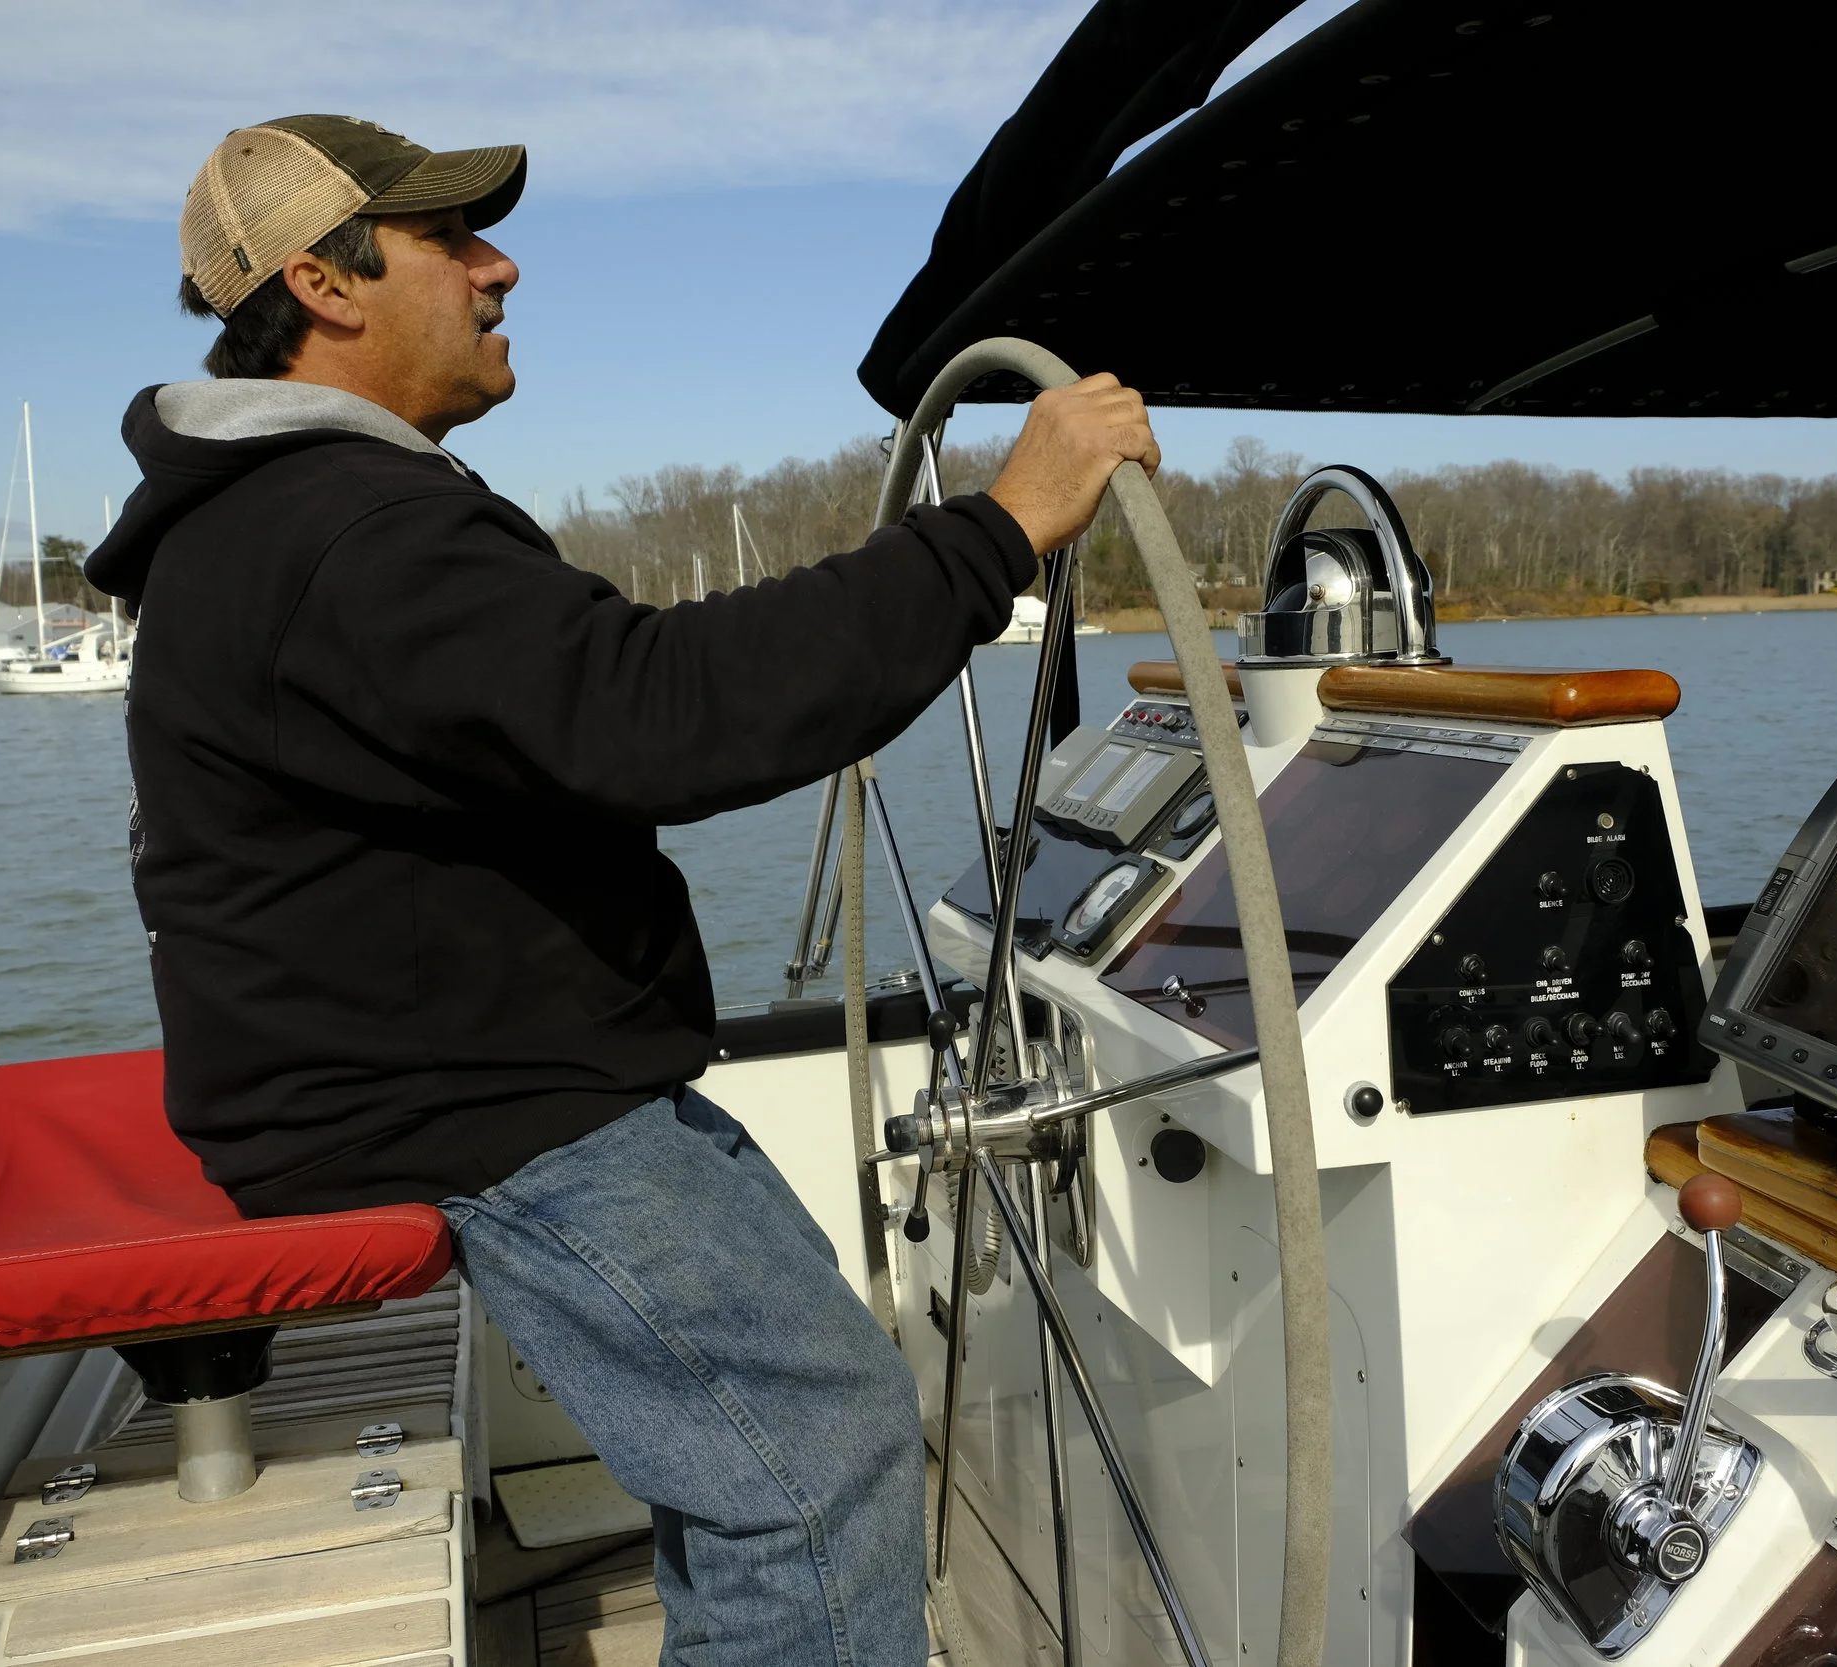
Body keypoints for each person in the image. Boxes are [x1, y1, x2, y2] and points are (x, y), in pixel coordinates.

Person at [85, 115, 1157, 1666]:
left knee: (756, 1464)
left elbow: (598, 706)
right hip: (475, 1107)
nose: (498, 264)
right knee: (816, 1456)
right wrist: (998, 528)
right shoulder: (341, 529)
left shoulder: (285, 520)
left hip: (449, 1072)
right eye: (451, 240)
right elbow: (657, 711)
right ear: (324, 282)